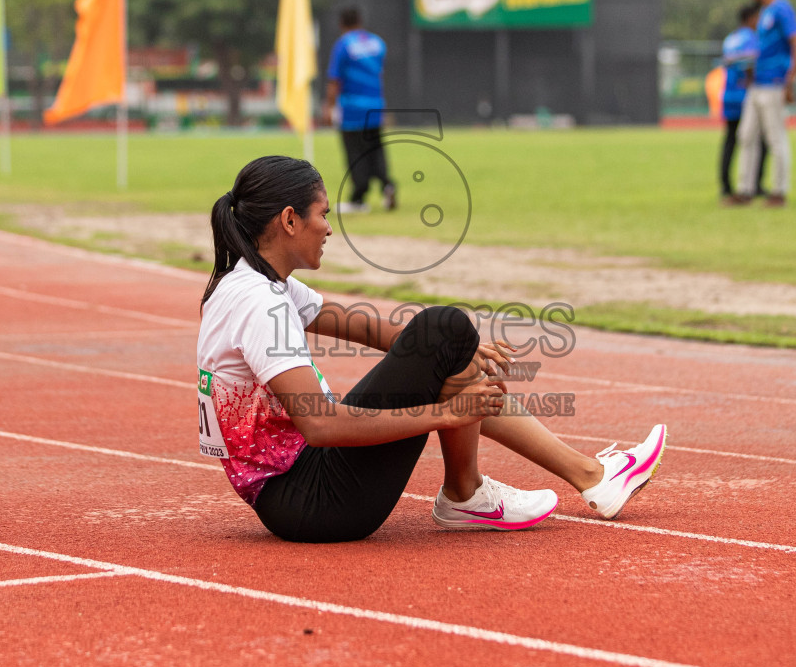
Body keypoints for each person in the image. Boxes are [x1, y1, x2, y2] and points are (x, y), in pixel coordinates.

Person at [196, 155, 668, 543]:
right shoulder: (259, 304)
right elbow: (319, 425)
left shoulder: (262, 285)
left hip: (306, 490)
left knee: (445, 331)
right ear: (289, 220)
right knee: (444, 329)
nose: (329, 229)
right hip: (313, 503)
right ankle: (475, 492)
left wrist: (463, 356)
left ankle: (584, 475)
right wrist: (447, 412)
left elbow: (390, 335)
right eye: (323, 215)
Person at [737, 0, 796, 207]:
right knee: (746, 135)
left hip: (774, 83)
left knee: (776, 138)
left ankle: (779, 192)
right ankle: (745, 189)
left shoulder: (782, 8)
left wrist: (791, 79)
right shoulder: (765, 12)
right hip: (757, 82)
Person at [322, 7, 396, 214]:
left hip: (352, 107)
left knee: (355, 152)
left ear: (341, 24)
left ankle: (358, 198)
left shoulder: (343, 45)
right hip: (375, 105)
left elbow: (335, 79)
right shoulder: (377, 43)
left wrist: (329, 106)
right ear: (360, 20)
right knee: (376, 149)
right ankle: (387, 185)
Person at [718, 2, 770, 203]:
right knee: (757, 141)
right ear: (750, 18)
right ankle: (754, 184)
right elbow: (752, 65)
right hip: (746, 96)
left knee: (730, 140)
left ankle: (725, 186)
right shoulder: (752, 38)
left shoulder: (730, 39)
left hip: (728, 95)